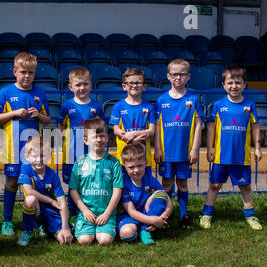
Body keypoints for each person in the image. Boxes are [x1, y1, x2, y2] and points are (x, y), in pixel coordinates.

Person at [0, 52, 51, 236]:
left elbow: (48, 120)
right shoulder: (6, 92)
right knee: (11, 182)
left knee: (35, 184)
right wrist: (14, 113)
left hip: (34, 151)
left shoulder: (40, 93)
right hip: (13, 148)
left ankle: (37, 221)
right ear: (14, 71)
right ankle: (7, 220)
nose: (27, 76)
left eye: (31, 72)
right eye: (23, 72)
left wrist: (38, 116)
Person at [201, 66, 263, 231]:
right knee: (214, 185)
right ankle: (206, 214)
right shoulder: (219, 105)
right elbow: (212, 128)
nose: (234, 86)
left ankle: (250, 216)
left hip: (241, 156)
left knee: (246, 187)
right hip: (221, 155)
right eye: (230, 83)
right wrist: (210, 148)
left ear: (244, 84)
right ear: (223, 85)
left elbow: (255, 127)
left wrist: (257, 148)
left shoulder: (250, 105)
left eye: (238, 83)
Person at [154, 59, 204, 230]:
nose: (178, 77)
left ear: (188, 76)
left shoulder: (193, 99)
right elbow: (158, 127)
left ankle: (184, 215)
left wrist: (195, 149)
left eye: (182, 74)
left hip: (184, 152)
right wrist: (158, 149)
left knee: (182, 184)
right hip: (167, 153)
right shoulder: (161, 100)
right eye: (175, 74)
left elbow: (198, 125)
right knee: (166, 184)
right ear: (168, 76)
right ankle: (165, 215)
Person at [58, 67, 104, 218]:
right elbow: (61, 126)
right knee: (73, 184)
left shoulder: (96, 107)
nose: (82, 88)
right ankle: (72, 214)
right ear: (71, 87)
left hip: (90, 152)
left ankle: (90, 211)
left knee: (90, 182)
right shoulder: (67, 106)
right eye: (78, 85)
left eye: (85, 84)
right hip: (72, 153)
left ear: (91, 85)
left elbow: (100, 128)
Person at [69, 118, 123, 245]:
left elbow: (117, 191)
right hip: (86, 213)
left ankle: (106, 226)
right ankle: (80, 222)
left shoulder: (114, 163)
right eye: (95, 137)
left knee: (104, 240)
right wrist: (84, 210)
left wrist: (107, 213)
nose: (99, 140)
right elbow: (73, 190)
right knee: (84, 241)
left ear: (107, 138)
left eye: (102, 136)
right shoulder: (80, 163)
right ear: (86, 140)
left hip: (106, 212)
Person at [17, 136, 73, 246]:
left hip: (50, 212)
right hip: (36, 210)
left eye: (43, 155)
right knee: (30, 200)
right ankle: (28, 231)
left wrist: (65, 227)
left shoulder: (53, 175)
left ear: (49, 157)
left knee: (64, 240)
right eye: (35, 156)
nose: (39, 159)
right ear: (27, 157)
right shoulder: (25, 168)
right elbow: (29, 192)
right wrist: (51, 201)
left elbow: (62, 202)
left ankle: (47, 227)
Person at [118, 143, 172, 245]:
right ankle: (139, 229)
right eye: (131, 167)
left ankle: (144, 230)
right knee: (127, 233)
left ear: (146, 163)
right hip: (129, 215)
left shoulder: (150, 179)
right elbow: (131, 211)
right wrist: (152, 220)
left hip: (148, 212)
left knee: (160, 194)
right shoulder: (124, 183)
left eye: (139, 165)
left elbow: (167, 200)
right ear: (124, 167)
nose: (136, 170)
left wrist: (162, 218)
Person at [110, 68, 156, 173]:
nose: (134, 85)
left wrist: (133, 134)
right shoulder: (118, 106)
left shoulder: (149, 107)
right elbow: (116, 130)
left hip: (143, 156)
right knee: (123, 186)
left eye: (138, 82)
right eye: (131, 83)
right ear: (124, 86)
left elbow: (151, 131)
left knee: (144, 186)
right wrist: (131, 140)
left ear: (144, 87)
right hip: (123, 156)